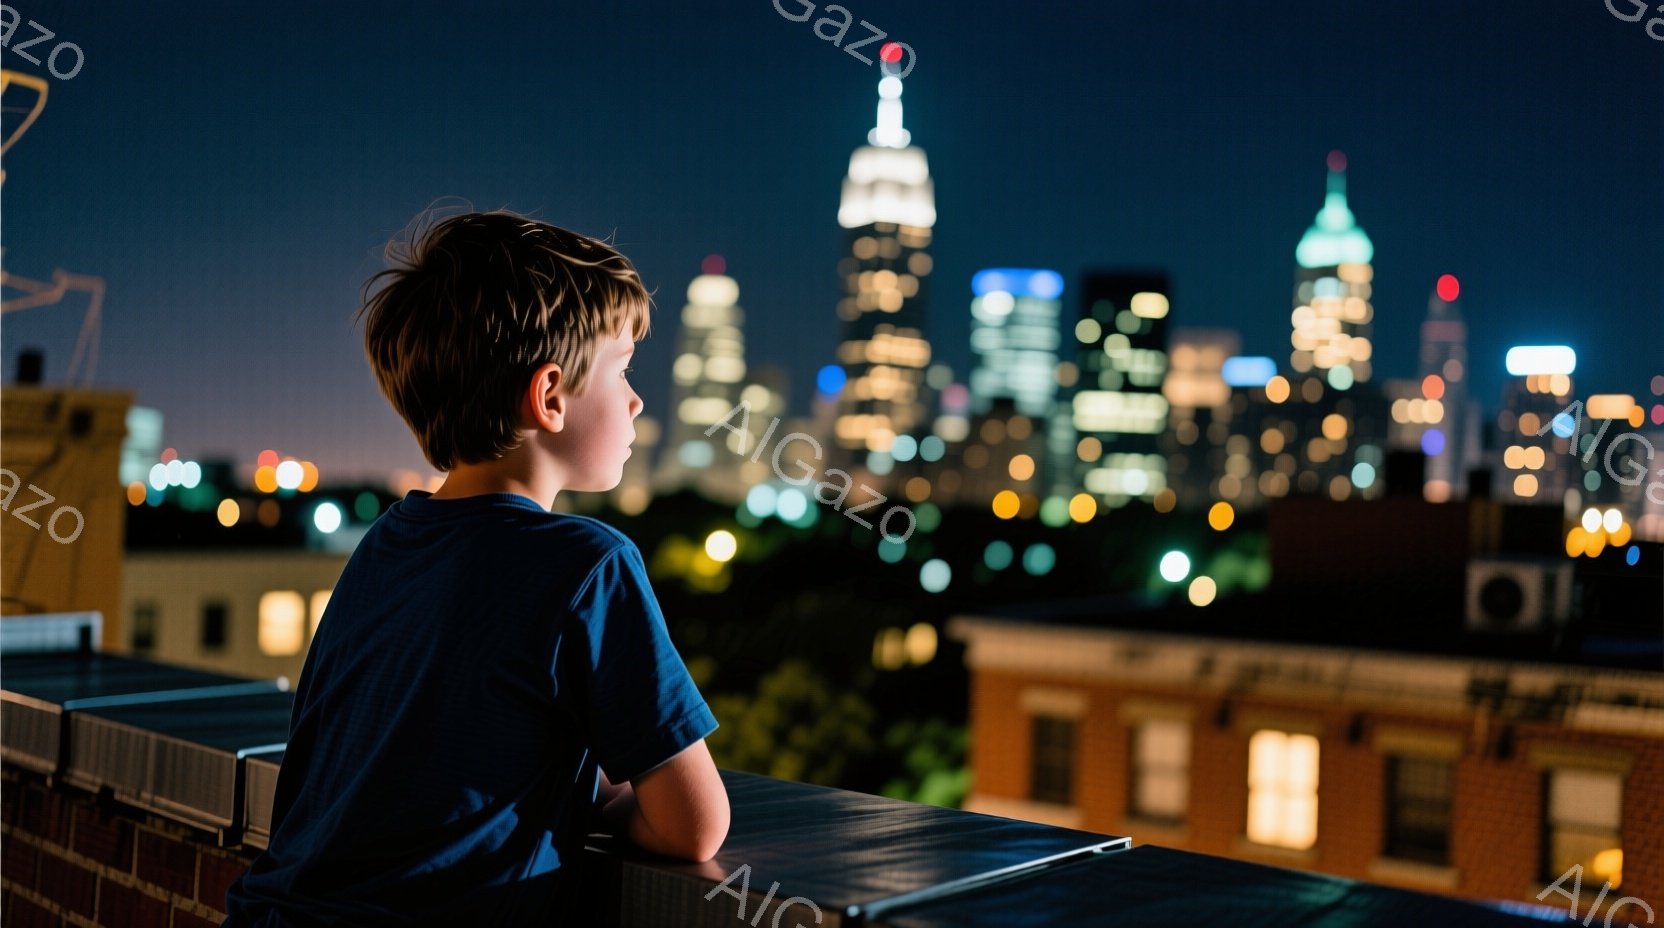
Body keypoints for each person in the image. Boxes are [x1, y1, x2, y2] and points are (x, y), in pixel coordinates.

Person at [223, 210, 729, 926]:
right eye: (623, 369)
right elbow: (695, 826)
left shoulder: (386, 543)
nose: (638, 399)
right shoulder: (587, 564)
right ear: (550, 396)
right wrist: (595, 804)